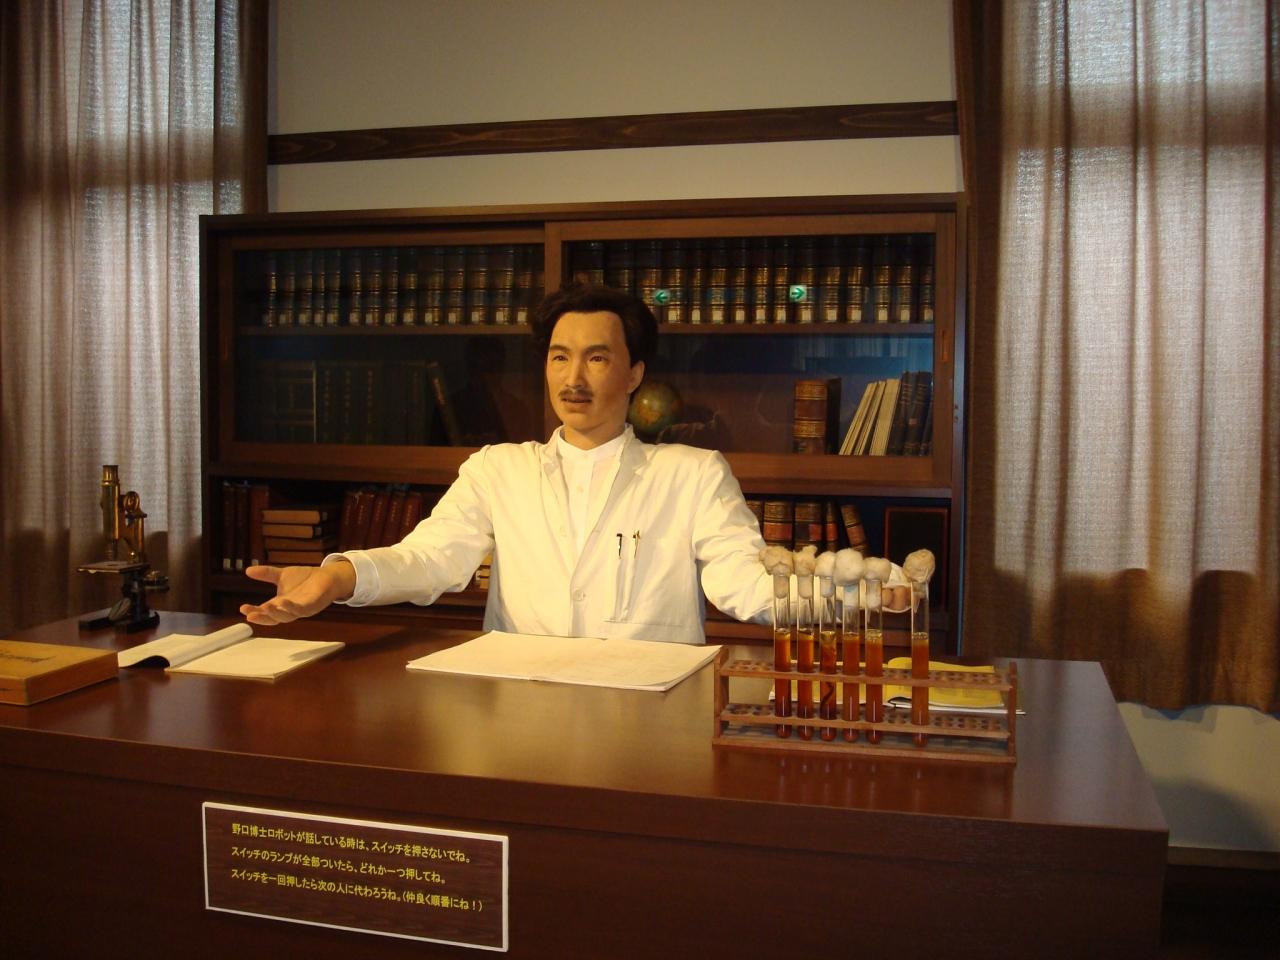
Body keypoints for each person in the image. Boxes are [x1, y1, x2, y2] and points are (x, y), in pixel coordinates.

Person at [240, 283, 773, 643]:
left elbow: (741, 579)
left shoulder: (693, 474)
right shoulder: (498, 470)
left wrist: (819, 594)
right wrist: (338, 576)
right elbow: (430, 559)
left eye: (597, 357)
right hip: (521, 701)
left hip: (650, 713)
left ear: (634, 373)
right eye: (559, 357)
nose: (573, 379)